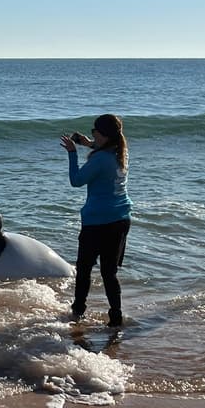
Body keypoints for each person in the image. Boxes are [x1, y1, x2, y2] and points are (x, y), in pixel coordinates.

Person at [60, 113, 132, 326]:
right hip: (121, 218)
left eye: (95, 131)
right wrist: (88, 144)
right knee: (109, 273)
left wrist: (73, 153)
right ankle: (116, 317)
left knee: (84, 269)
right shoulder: (121, 151)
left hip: (98, 222)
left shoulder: (101, 159)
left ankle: (78, 311)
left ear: (105, 135)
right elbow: (102, 153)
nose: (92, 134)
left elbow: (76, 181)